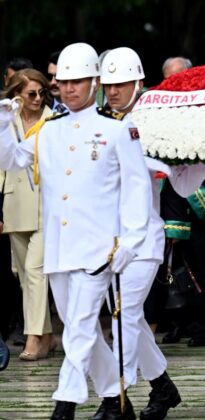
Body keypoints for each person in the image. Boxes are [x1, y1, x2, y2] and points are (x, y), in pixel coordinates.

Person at [0, 42, 152, 419]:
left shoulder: (115, 131)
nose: (69, 89)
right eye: (63, 83)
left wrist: (131, 240)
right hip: (60, 248)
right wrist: (5, 122)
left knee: (80, 327)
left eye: (78, 82)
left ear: (95, 82)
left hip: (98, 248)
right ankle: (117, 400)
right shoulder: (48, 130)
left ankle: (64, 404)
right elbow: (12, 160)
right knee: (76, 327)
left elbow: (137, 189)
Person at [97, 46, 183, 420]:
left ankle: (116, 398)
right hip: (107, 238)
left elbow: (175, 168)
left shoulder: (158, 122)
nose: (113, 91)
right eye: (108, 84)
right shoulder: (100, 122)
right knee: (127, 319)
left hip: (143, 235)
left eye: (121, 84)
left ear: (139, 83)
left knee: (124, 315)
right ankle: (162, 387)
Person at [0, 69, 55, 362]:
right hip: (14, 202)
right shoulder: (4, 120)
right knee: (24, 276)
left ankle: (33, 338)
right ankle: (46, 335)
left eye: (41, 93)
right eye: (31, 93)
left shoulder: (55, 119)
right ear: (16, 94)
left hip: (48, 204)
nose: (37, 99)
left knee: (35, 271)